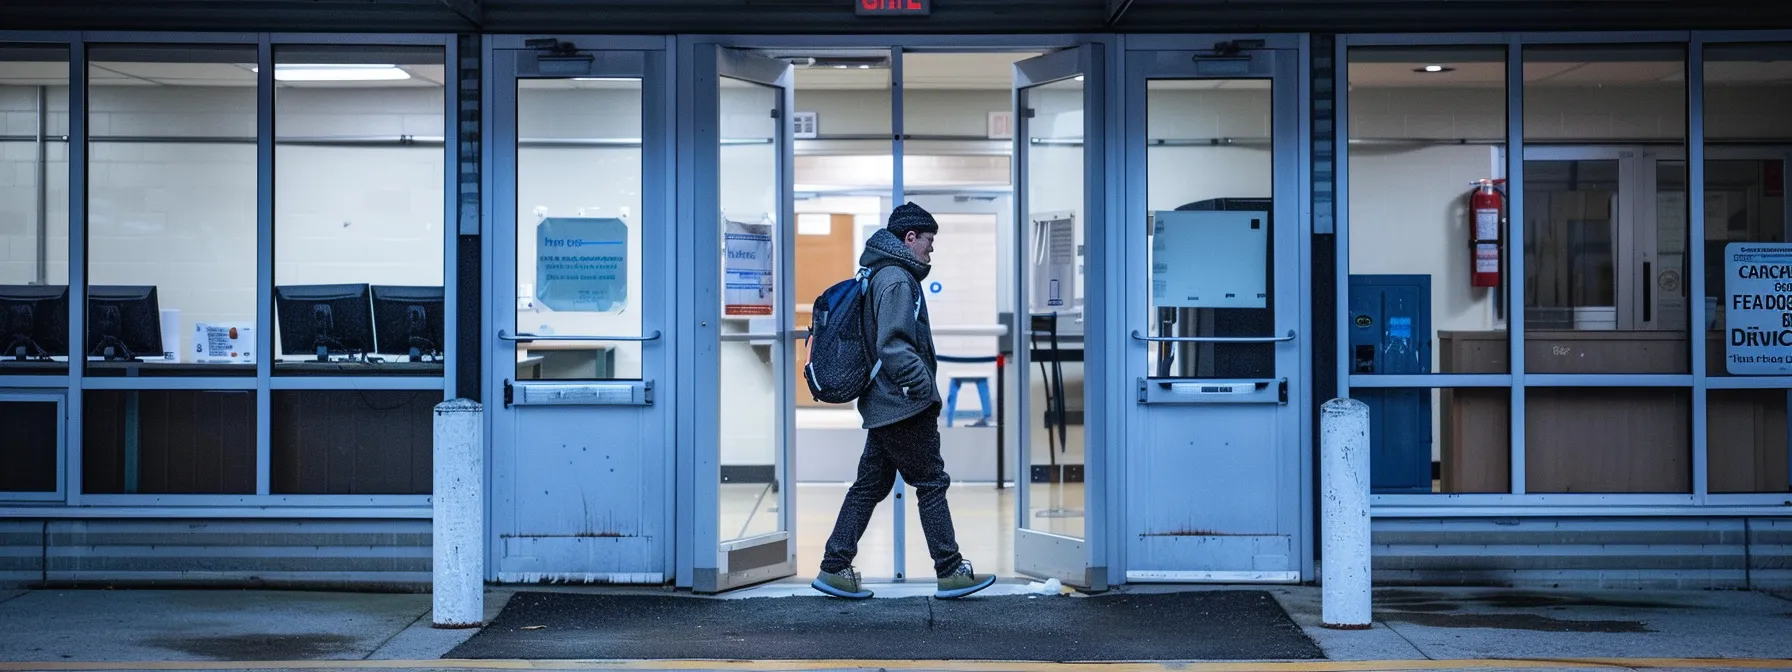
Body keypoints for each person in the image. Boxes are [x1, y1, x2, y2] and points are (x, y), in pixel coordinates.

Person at [811, 202, 997, 601]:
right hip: (903, 404)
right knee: (931, 482)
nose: (932, 250)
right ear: (910, 238)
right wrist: (924, 389)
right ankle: (950, 571)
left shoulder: (883, 273)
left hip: (885, 404)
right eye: (929, 241)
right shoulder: (897, 279)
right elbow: (893, 346)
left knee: (868, 486)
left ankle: (833, 567)